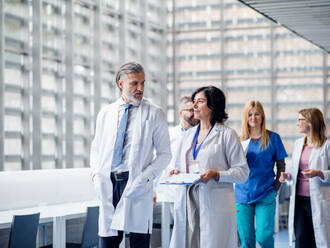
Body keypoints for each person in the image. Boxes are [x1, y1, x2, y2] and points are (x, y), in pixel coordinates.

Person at [90, 62, 171, 248]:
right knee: (107, 243)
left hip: (136, 184)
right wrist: (95, 175)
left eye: (143, 83)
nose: (140, 88)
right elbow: (96, 149)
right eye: (134, 83)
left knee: (139, 242)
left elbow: (165, 154)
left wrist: (145, 178)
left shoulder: (155, 113)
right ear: (121, 84)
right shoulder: (106, 113)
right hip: (108, 183)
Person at [169, 86, 249, 248]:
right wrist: (177, 172)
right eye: (194, 102)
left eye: (200, 101)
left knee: (212, 242)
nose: (194, 106)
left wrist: (216, 174)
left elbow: (242, 173)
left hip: (214, 200)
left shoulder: (227, 135)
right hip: (189, 199)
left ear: (212, 105)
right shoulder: (189, 135)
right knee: (189, 242)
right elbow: (179, 165)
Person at [279, 108, 330, 248]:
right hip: (300, 201)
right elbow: (295, 170)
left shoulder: (328, 145)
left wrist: (319, 173)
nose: (297, 124)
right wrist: (287, 175)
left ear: (310, 122)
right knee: (301, 239)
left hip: (320, 201)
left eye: (300, 120)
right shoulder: (298, 144)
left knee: (318, 241)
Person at [235, 100, 288, 248]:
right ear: (245, 117)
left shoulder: (273, 138)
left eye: (257, 114)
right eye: (250, 114)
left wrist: (275, 188)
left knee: (264, 237)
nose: (253, 117)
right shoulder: (239, 140)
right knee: (246, 240)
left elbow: (281, 165)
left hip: (265, 193)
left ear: (262, 116)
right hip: (242, 194)